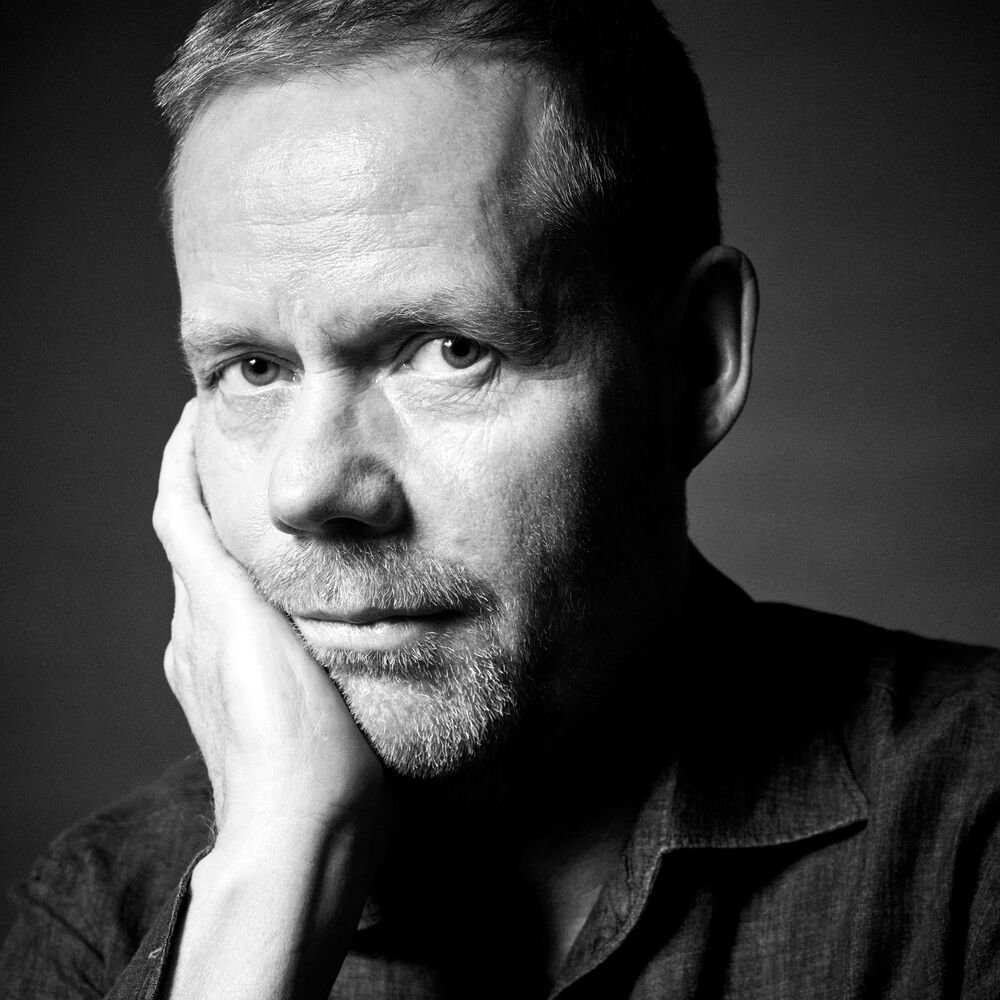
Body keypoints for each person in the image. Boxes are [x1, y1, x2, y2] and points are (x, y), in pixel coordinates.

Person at [2, 1, 998, 997]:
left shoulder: (972, 830)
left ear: (693, 358)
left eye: (447, 349)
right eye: (252, 368)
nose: (308, 488)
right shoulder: (101, 921)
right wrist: (265, 892)